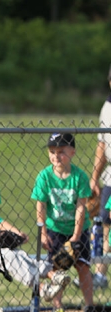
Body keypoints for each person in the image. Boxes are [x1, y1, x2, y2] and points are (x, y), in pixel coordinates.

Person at [0, 136, 69, 305]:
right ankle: (43, 284)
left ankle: (51, 277)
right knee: (7, 254)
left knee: (13, 251)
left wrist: (15, 231)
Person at [31, 132, 94, 312]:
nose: (56, 156)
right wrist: (42, 233)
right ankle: (57, 309)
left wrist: (76, 236)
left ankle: (90, 307)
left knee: (83, 265)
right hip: (54, 229)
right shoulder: (44, 176)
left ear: (72, 152)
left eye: (61, 152)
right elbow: (40, 205)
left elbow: (81, 206)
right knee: (57, 268)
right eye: (52, 152)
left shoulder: (79, 176)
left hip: (79, 229)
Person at [85, 65, 111, 290]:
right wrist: (95, 176)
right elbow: (102, 144)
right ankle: (100, 274)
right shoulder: (107, 107)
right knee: (105, 224)